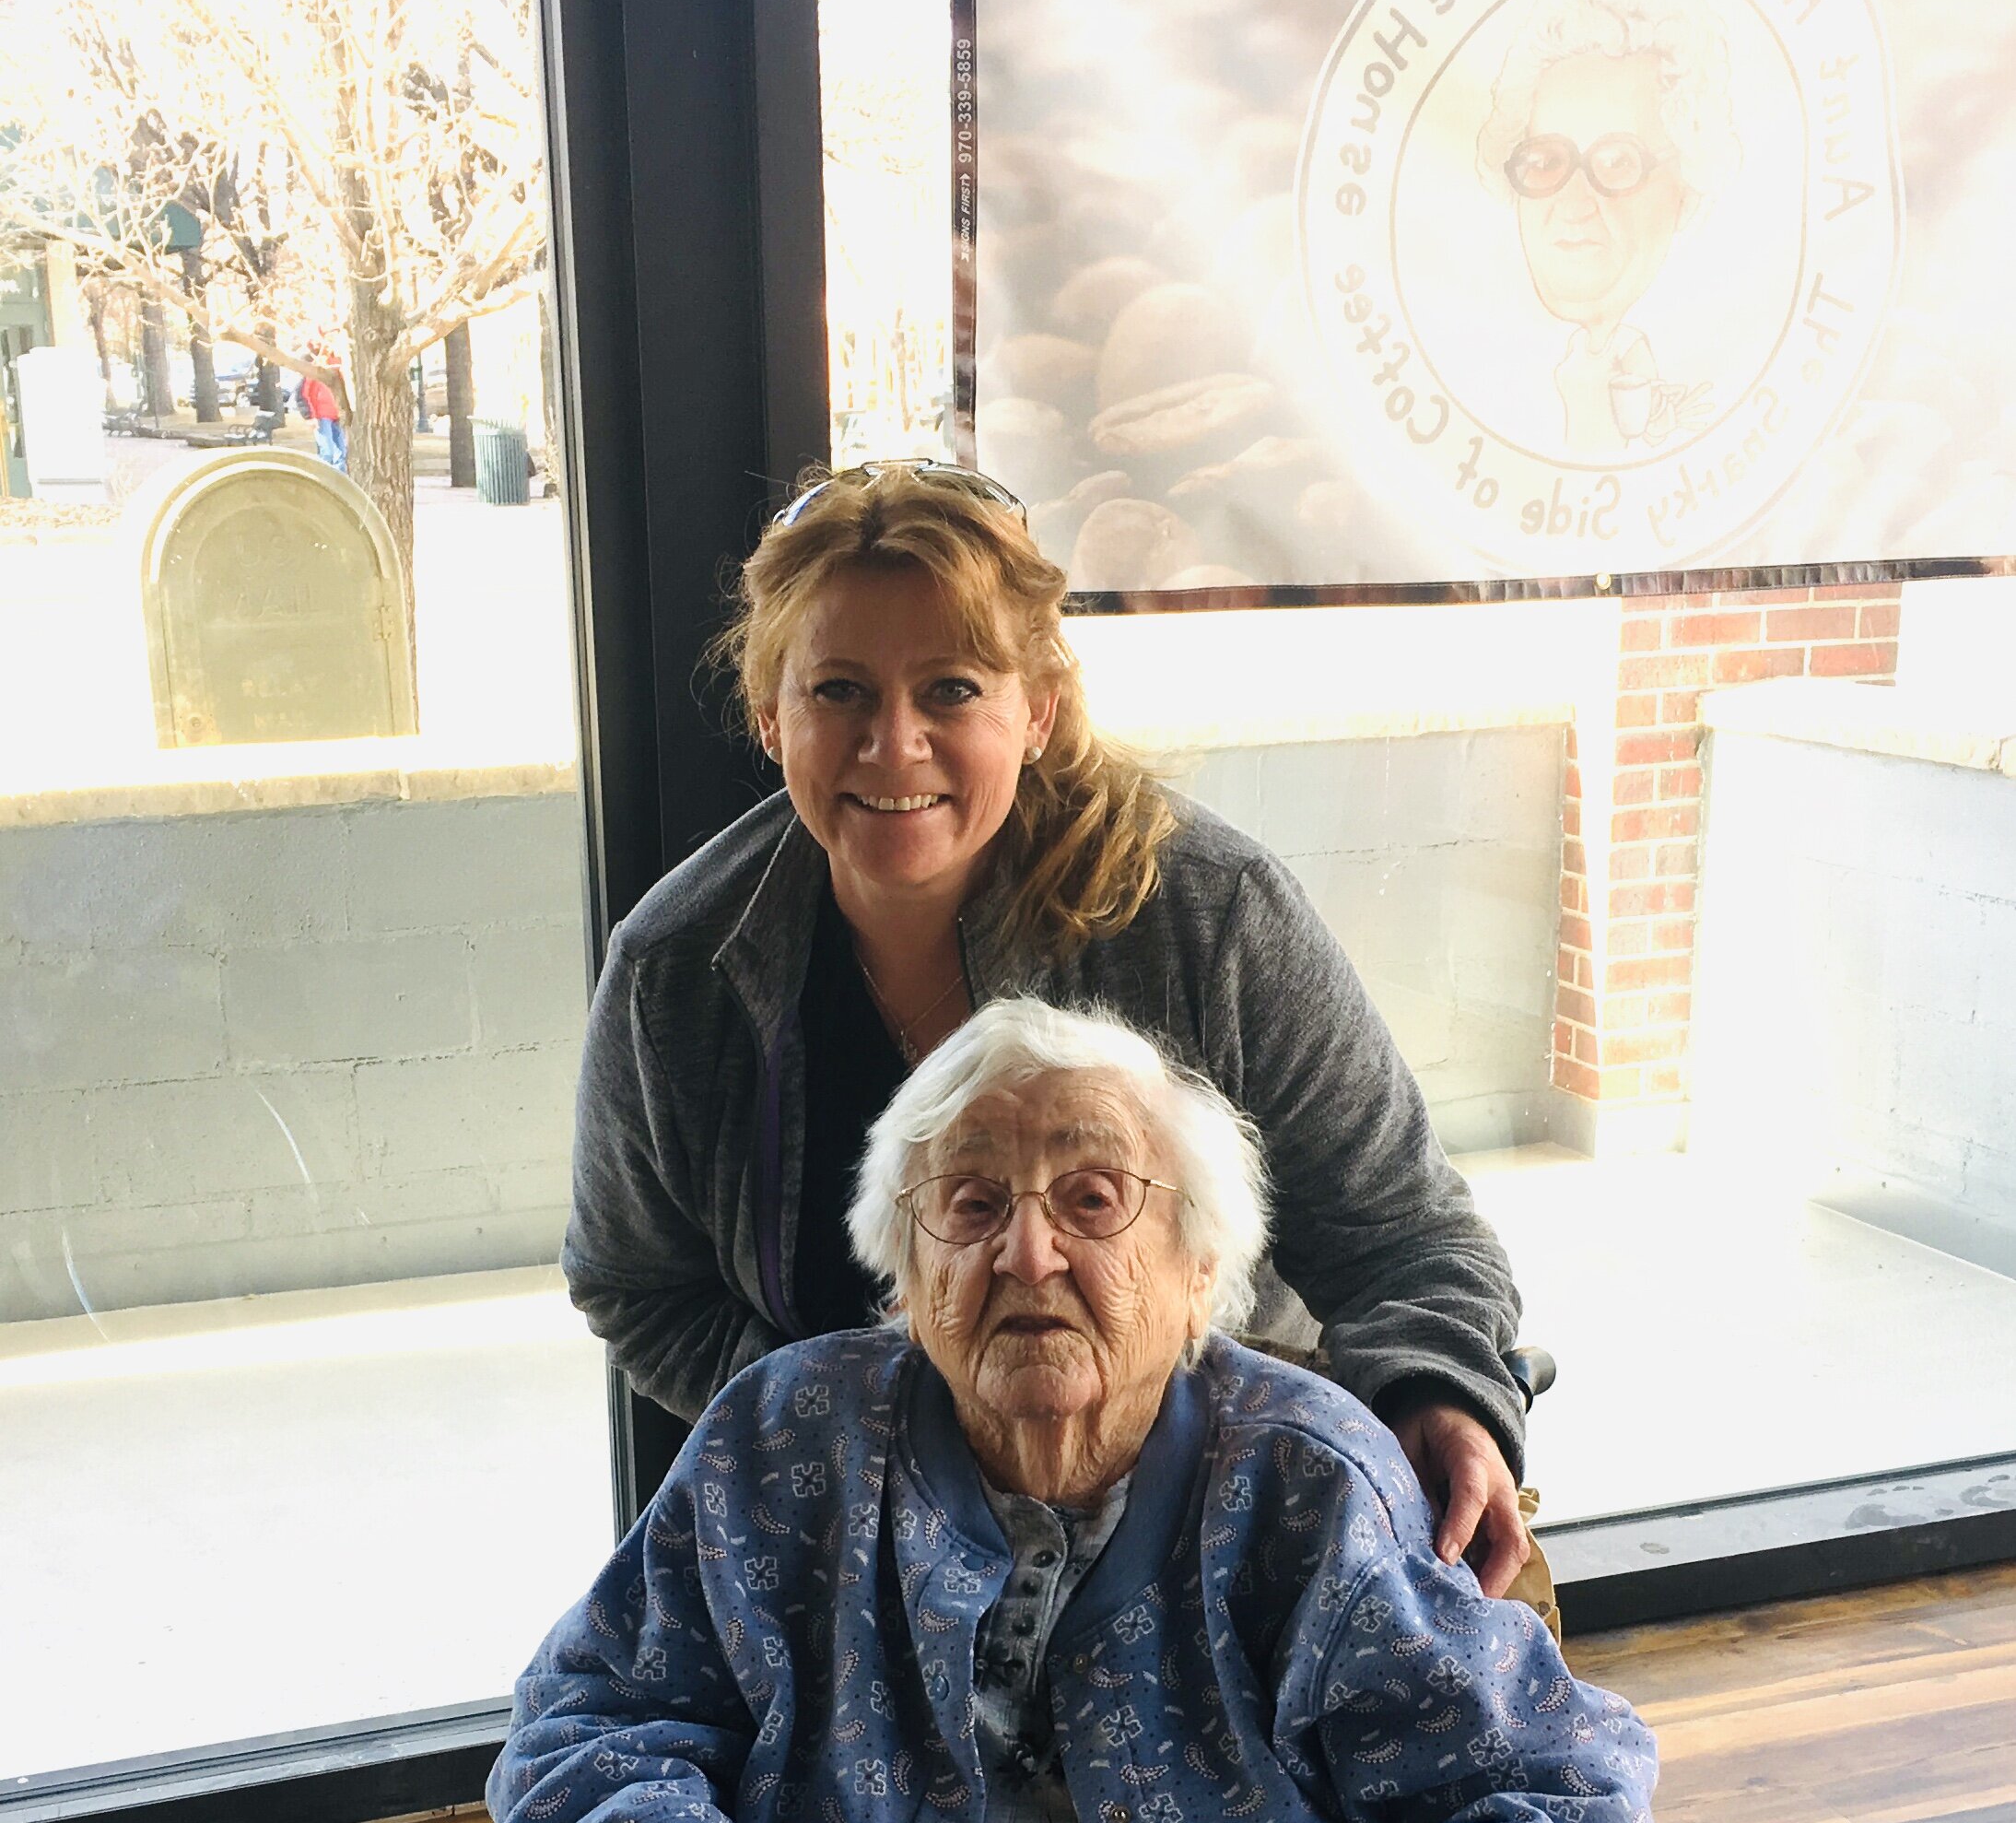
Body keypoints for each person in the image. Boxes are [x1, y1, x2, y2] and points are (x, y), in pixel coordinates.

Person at [494, 1002, 1658, 1823]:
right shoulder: (786, 1450)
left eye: (1093, 1200)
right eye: (973, 1206)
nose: (1028, 1255)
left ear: (1201, 1265)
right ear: (905, 1272)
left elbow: (1579, 1820)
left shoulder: (1309, 1492)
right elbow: (576, 1725)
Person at [565, 459, 1545, 1607]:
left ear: (1036, 709)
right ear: (767, 714)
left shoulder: (1208, 913)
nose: (893, 744)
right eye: (838, 691)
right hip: (867, 1537)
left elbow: (1404, 1231)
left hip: (1206, 1502)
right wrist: (831, 1428)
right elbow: (633, 1279)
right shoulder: (672, 970)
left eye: (949, 690)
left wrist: (1445, 1396)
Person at [1475, 0, 1741, 455]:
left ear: (1686, 184)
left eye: (1618, 161)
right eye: (1546, 160)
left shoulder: (1724, 351)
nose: (1573, 205)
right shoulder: (1473, 362)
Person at [299, 351, 347, 472]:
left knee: (342, 453)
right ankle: (322, 479)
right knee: (327, 452)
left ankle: (340, 482)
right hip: (321, 415)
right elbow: (303, 394)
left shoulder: (338, 364)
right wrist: (310, 416)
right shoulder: (318, 367)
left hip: (336, 414)